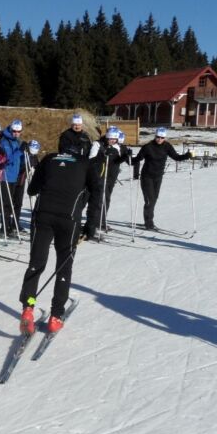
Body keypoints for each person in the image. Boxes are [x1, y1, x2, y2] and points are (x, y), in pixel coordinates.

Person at [18, 146, 102, 335]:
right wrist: (91, 225)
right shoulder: (85, 163)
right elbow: (97, 192)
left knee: (36, 263)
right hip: (68, 219)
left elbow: (32, 190)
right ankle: (56, 316)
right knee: (63, 267)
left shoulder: (49, 159)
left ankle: (28, 307)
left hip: (43, 215)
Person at [132, 127, 192, 231]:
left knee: (154, 199)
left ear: (164, 138)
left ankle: (148, 220)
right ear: (155, 136)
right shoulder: (148, 147)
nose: (159, 139)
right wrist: (129, 160)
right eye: (158, 137)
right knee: (150, 200)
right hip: (147, 177)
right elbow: (137, 159)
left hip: (158, 177)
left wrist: (187, 156)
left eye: (162, 137)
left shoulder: (167, 146)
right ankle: (149, 223)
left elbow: (176, 157)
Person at [87, 127, 132, 232]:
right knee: (99, 199)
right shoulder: (98, 144)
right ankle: (95, 223)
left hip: (111, 177)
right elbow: (91, 158)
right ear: (106, 137)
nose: (112, 141)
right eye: (110, 139)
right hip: (99, 175)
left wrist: (126, 156)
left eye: (114, 139)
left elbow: (116, 161)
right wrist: (102, 156)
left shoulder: (116, 147)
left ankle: (102, 221)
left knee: (106, 199)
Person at [0, 119, 25, 234]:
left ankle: (8, 225)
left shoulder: (15, 141)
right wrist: (20, 151)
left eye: (19, 132)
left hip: (14, 176)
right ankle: (4, 226)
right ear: (10, 129)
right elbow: (8, 159)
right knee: (5, 203)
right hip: (6, 175)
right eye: (14, 131)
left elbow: (18, 158)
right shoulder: (5, 141)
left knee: (11, 202)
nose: (16, 134)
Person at [14, 139, 41, 230]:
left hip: (21, 182)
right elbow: (20, 164)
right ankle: (8, 223)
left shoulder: (33, 157)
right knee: (12, 203)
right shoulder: (23, 154)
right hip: (14, 181)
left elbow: (37, 166)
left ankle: (15, 222)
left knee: (18, 203)